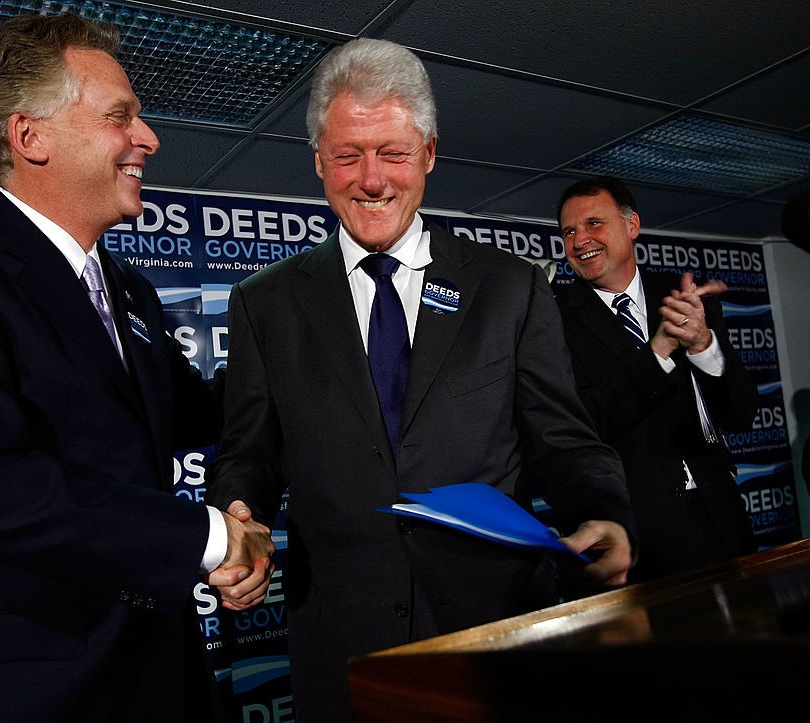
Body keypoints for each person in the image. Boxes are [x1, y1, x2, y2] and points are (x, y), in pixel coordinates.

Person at [0, 14, 273, 723]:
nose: (149, 138)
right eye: (121, 117)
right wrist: (204, 538)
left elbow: (201, 410)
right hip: (22, 697)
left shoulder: (129, 288)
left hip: (157, 674)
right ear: (30, 136)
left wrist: (301, 331)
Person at [205, 38, 636, 721]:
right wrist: (237, 515)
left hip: (495, 634)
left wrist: (605, 513)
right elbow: (248, 452)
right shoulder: (265, 303)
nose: (372, 180)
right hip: (344, 649)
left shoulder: (511, 289)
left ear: (429, 154)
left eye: (393, 154)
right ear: (319, 159)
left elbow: (566, 442)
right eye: (348, 155)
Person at [555, 175, 757, 585]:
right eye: (569, 231)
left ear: (632, 226)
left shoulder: (686, 298)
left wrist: (703, 343)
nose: (580, 240)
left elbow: (740, 415)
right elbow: (583, 422)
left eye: (594, 223)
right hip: (634, 535)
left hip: (720, 514)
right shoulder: (553, 320)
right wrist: (659, 350)